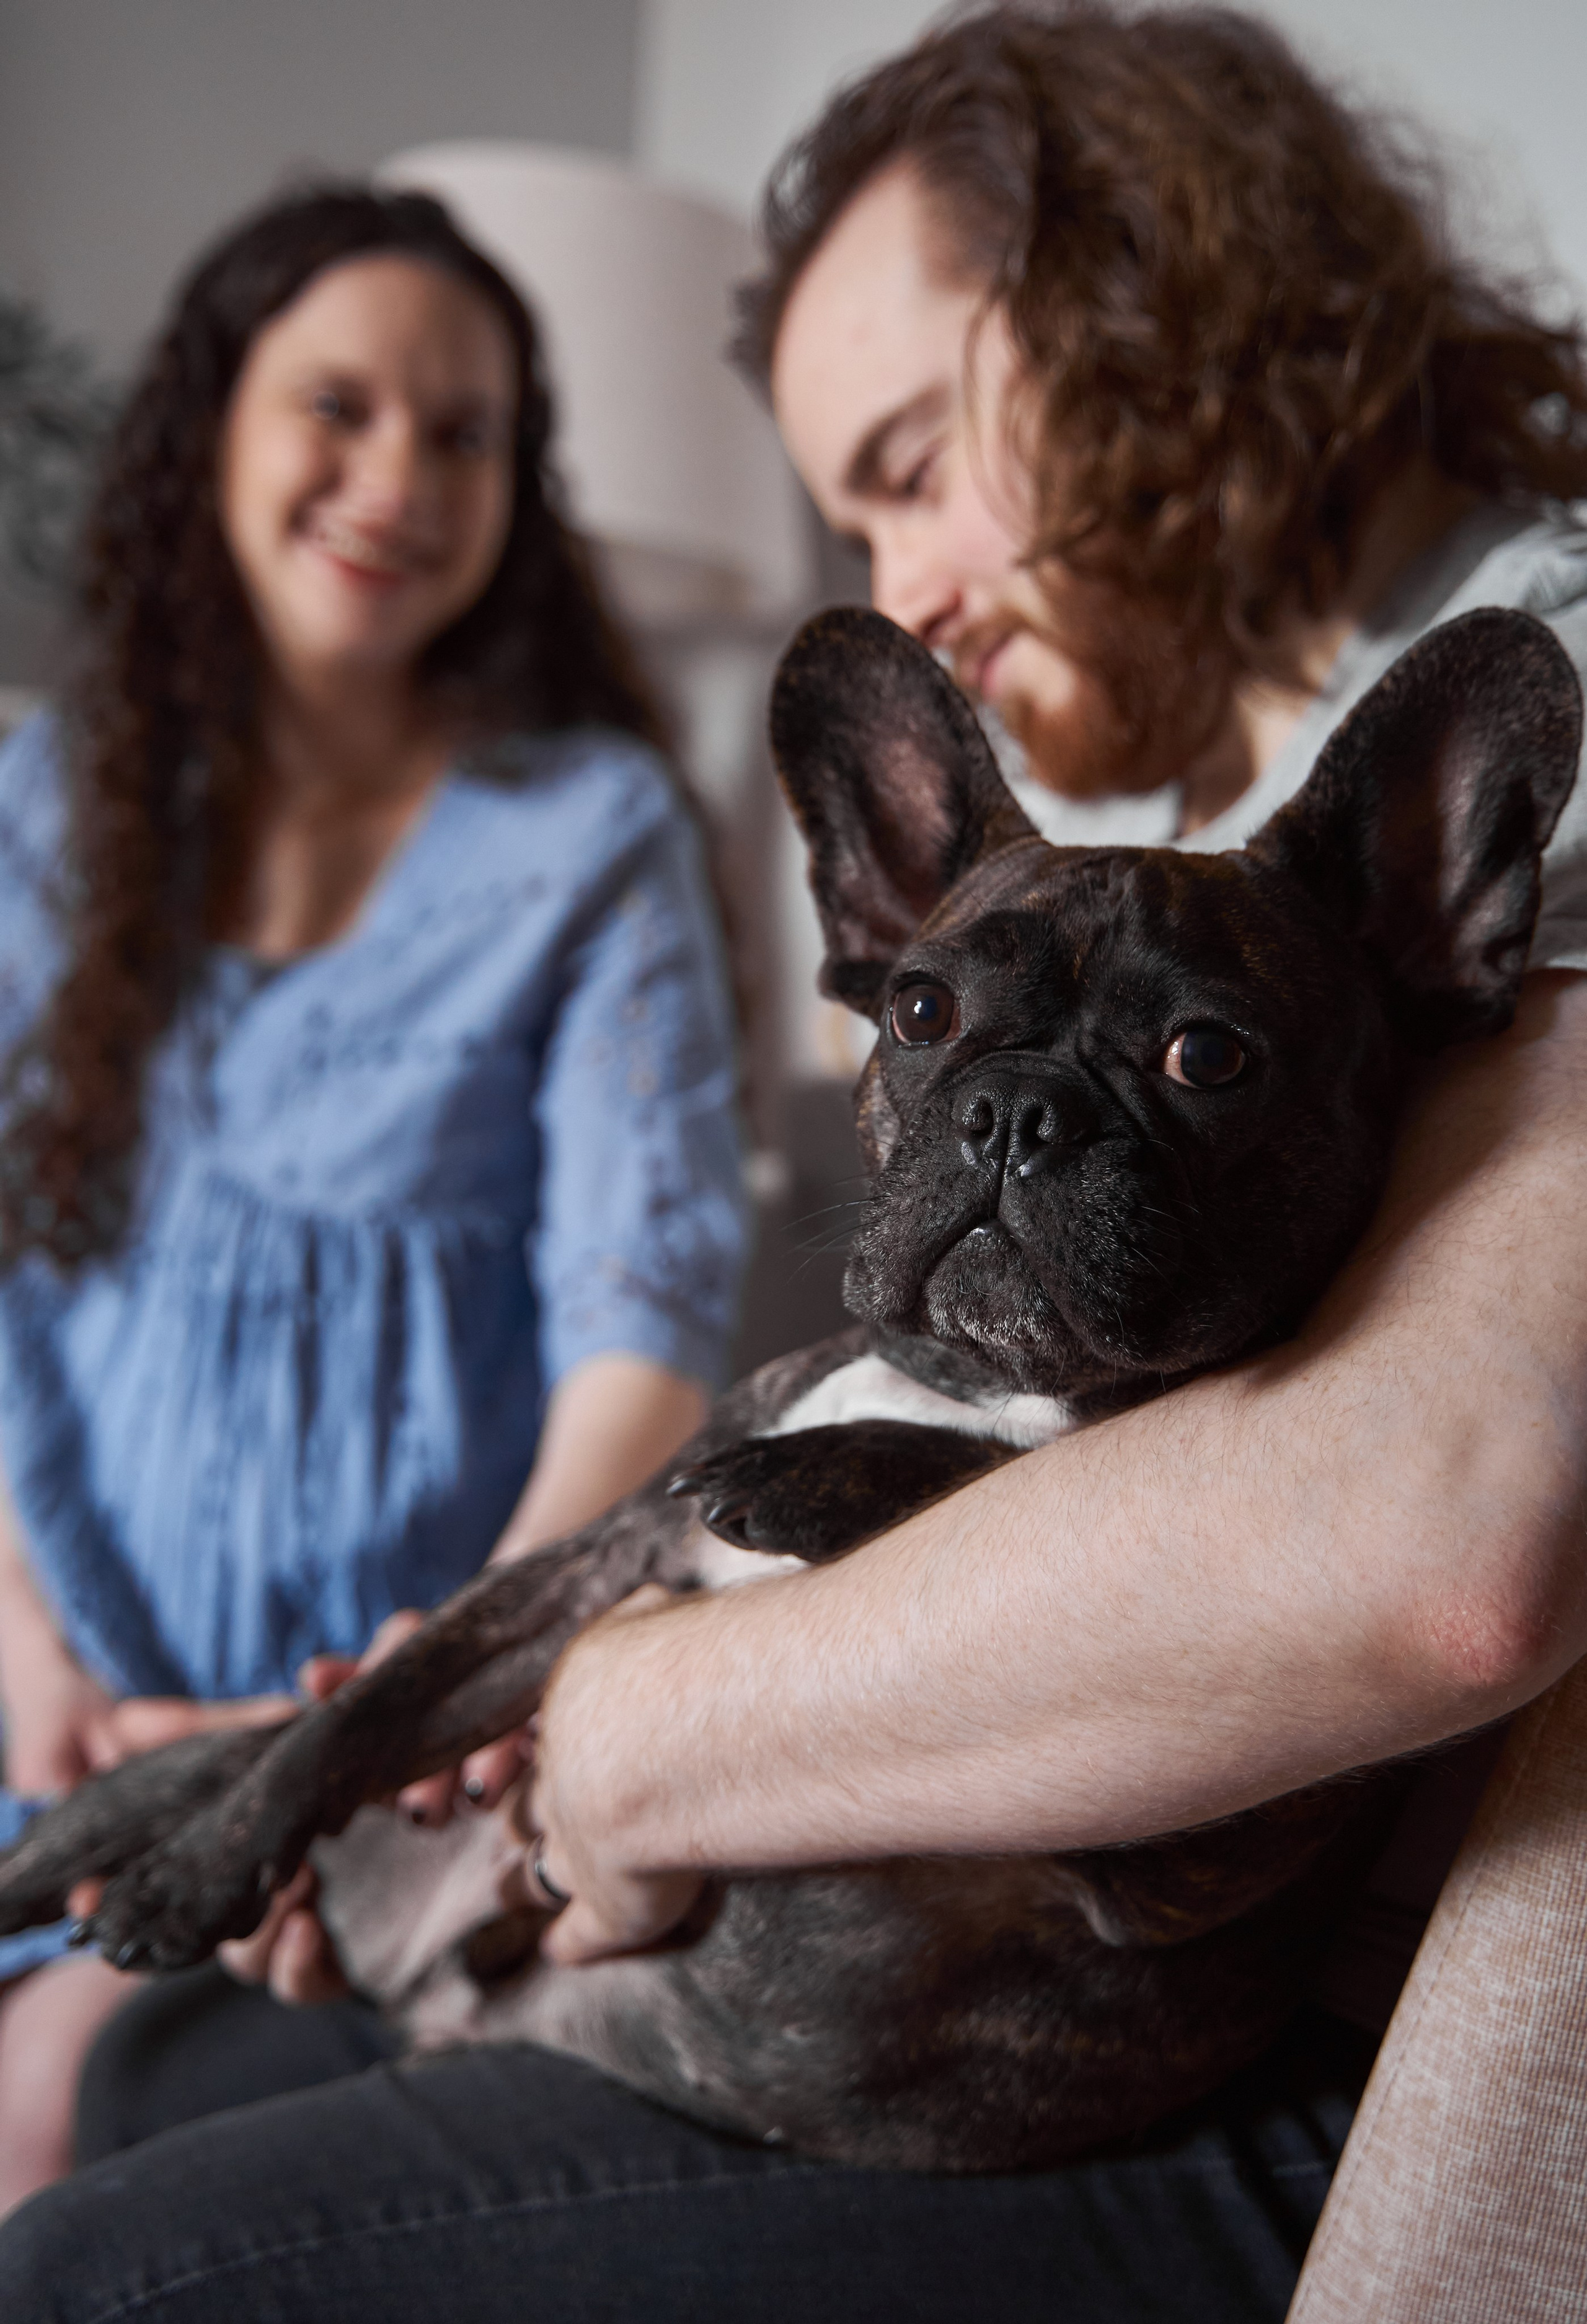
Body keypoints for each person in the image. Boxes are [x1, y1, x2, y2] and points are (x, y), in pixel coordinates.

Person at [4, 9, 1587, 2320]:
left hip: (1187, 2030)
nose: (903, 572)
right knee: (101, 2066)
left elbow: (1432, 1538)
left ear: (1145, 303)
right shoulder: (1152, 809)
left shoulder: (1542, 657)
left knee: (103, 2263)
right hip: (810, 1875)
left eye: (913, 461)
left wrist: (629, 1744)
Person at [0, 185, 745, 2214]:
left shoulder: (593, 834)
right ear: (213, 428)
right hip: (45, 1699)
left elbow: (643, 1308)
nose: (398, 477)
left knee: (58, 2111)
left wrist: (447, 1694)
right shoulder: (50, 807)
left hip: (366, 1761)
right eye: (340, 405)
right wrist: (26, 1656)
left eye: (467, 432)